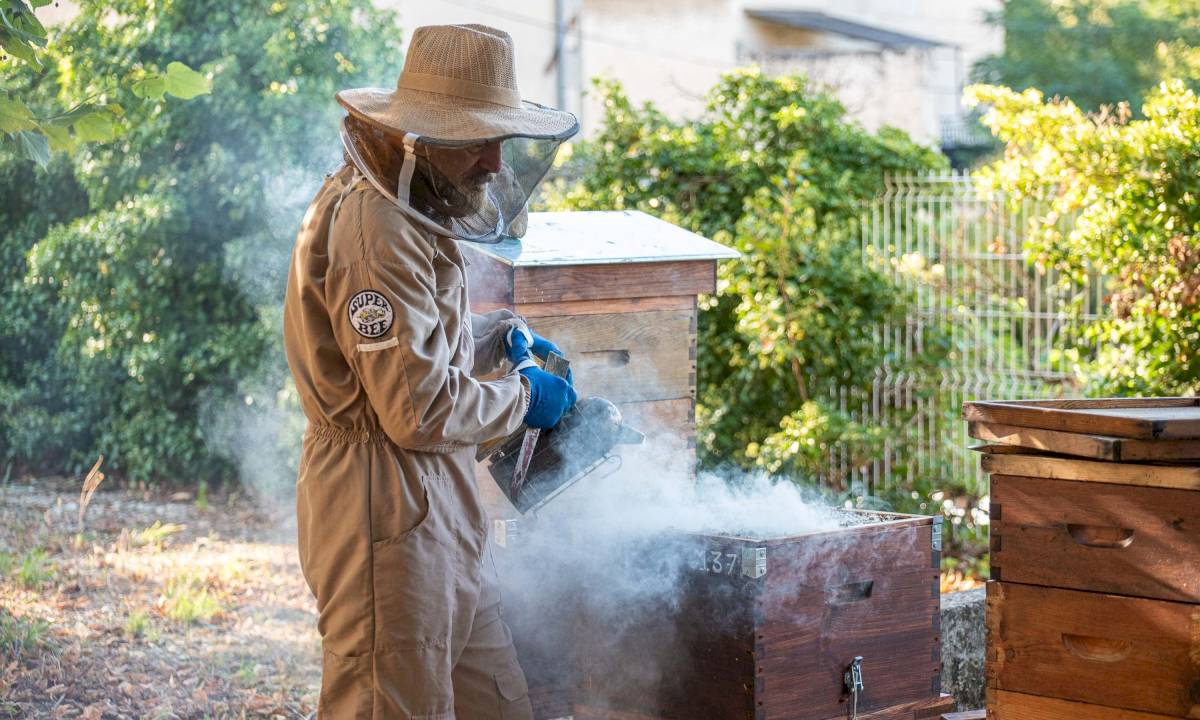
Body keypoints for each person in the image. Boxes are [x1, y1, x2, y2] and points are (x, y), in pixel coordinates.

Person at [282, 23, 579, 719]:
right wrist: (520, 396)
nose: (496, 165)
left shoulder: (408, 210)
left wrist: (491, 337)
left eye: (502, 140)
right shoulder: (375, 226)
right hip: (380, 512)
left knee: (496, 701)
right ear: (428, 135)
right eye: (481, 139)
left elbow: (404, 354)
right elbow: (414, 409)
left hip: (436, 501)